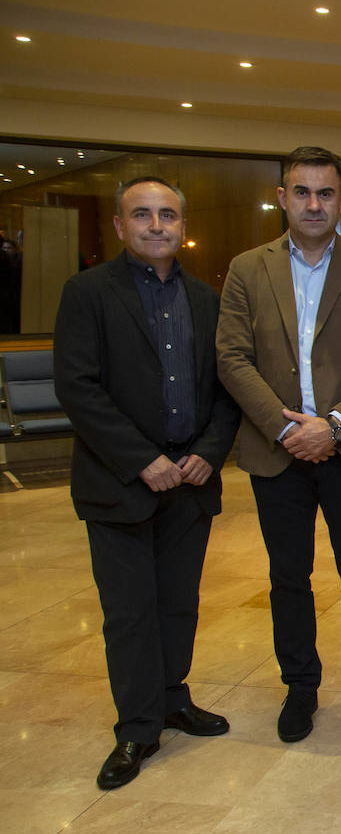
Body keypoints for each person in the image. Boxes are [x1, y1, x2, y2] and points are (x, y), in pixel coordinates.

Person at [53, 176, 240, 789]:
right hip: (120, 484)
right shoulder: (87, 293)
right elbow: (78, 388)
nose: (156, 225)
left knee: (178, 604)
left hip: (190, 481)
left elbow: (225, 389)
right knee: (129, 613)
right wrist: (141, 460)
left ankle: (171, 698)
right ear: (119, 226)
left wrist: (210, 452)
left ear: (183, 226)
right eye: (142, 215)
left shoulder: (207, 300)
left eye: (167, 215)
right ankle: (137, 728)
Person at [217, 146, 341, 743]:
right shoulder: (247, 269)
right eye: (303, 191)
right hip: (278, 453)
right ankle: (300, 688)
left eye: (326, 193)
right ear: (283, 196)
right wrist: (287, 427)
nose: (314, 203)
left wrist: (335, 425)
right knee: (288, 578)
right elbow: (232, 358)